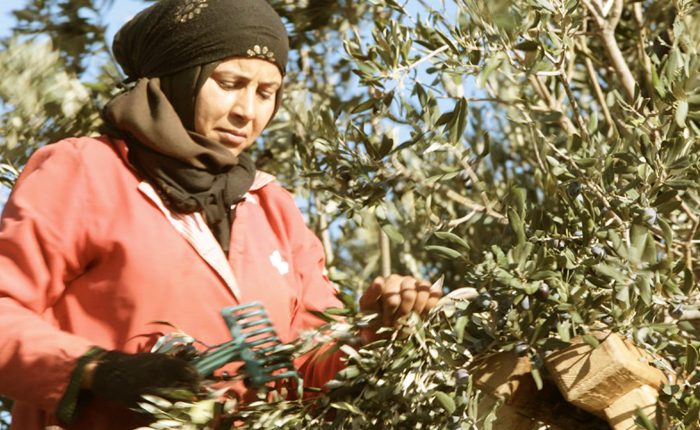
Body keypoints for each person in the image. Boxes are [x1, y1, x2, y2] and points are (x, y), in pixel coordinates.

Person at [0, 0, 442, 428]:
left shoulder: (271, 206)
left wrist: (377, 329)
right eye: (230, 83)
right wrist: (97, 370)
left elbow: (308, 366)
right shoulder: (85, 171)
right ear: (178, 78)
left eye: (266, 93)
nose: (246, 112)